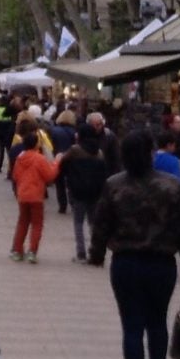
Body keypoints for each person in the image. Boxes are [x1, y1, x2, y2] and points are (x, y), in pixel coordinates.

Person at [90, 128, 180, 359]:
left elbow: (101, 223)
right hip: (162, 264)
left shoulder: (114, 185)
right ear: (152, 152)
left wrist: (97, 254)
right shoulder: (172, 186)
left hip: (126, 263)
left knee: (132, 326)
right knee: (157, 322)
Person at [61, 111, 117, 263]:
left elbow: (63, 165)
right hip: (95, 193)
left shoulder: (75, 150)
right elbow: (105, 171)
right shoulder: (98, 153)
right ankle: (95, 251)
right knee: (93, 222)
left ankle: (81, 253)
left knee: (78, 222)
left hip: (78, 192)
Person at [7, 126, 57, 263]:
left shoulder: (20, 158)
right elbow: (49, 176)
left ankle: (17, 251)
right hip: (36, 196)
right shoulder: (39, 159)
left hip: (23, 194)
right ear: (36, 143)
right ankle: (32, 252)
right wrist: (56, 164)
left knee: (22, 222)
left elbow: (15, 176)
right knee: (37, 224)